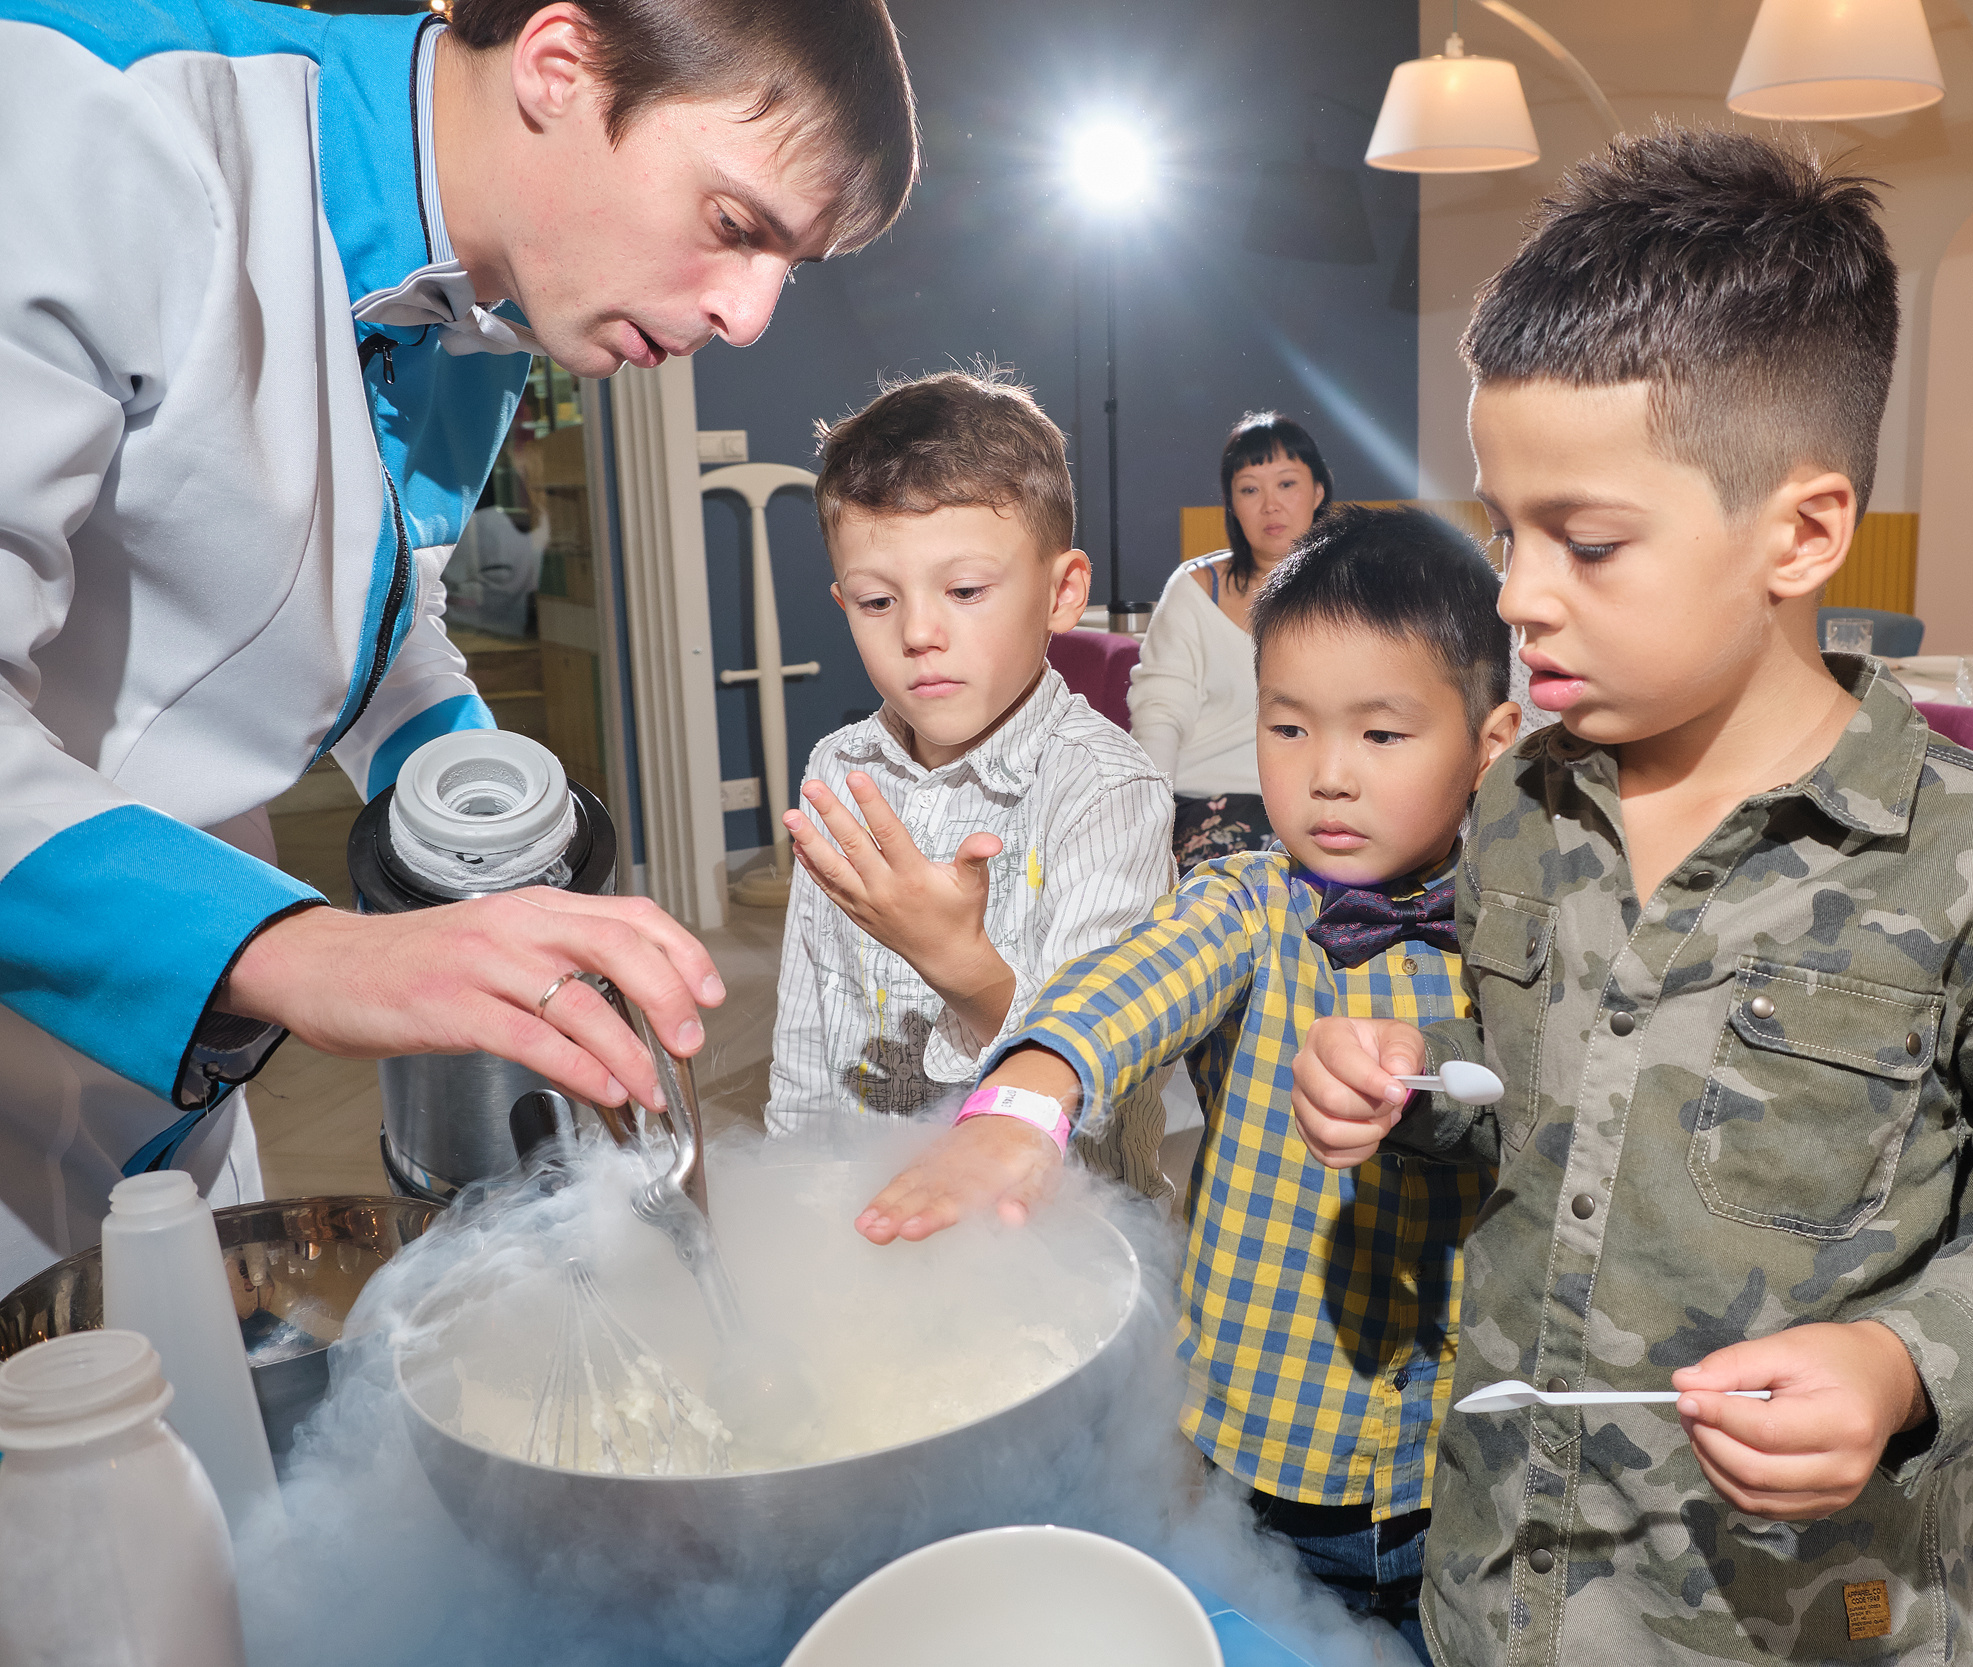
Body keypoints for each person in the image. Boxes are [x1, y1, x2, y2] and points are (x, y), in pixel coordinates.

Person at [1287, 127, 1973, 1664]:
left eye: (1589, 539)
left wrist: (1903, 1359)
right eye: (1506, 526)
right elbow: (1561, 1119)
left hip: (1788, 1616)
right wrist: (1416, 1098)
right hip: (1505, 1578)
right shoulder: (1521, 799)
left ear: (1804, 531)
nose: (1516, 589)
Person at [0, 0, 916, 1288]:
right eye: (733, 225)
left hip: (161, 1068)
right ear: (558, 64)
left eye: (791, 263)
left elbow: (376, 600)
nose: (752, 317)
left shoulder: (487, 303)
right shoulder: (96, 116)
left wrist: (494, 836)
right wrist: (317, 953)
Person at [859, 505, 1518, 1656]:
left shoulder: (1531, 935)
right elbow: (1128, 984)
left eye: (1381, 735)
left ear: (1491, 737)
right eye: (1288, 725)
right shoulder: (1252, 901)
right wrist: (1026, 1097)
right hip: (1266, 1446)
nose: (1326, 778)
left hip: (1460, 1463)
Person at [766, 370, 1175, 1189]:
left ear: (1062, 594)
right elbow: (806, 1041)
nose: (920, 632)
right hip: (865, 1221)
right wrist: (792, 1200)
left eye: (964, 590)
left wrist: (962, 965)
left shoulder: (1107, 788)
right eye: (878, 601)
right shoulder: (837, 770)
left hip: (1055, 1232)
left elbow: (1100, 1077)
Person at [1128, 412, 1334, 870]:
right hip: (1211, 805)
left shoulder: (1354, 596)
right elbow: (1159, 717)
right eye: (1249, 489)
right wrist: (1146, 828)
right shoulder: (1195, 589)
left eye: (1286, 484)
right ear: (1231, 503)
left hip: (1317, 805)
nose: (1269, 505)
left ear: (1318, 491)